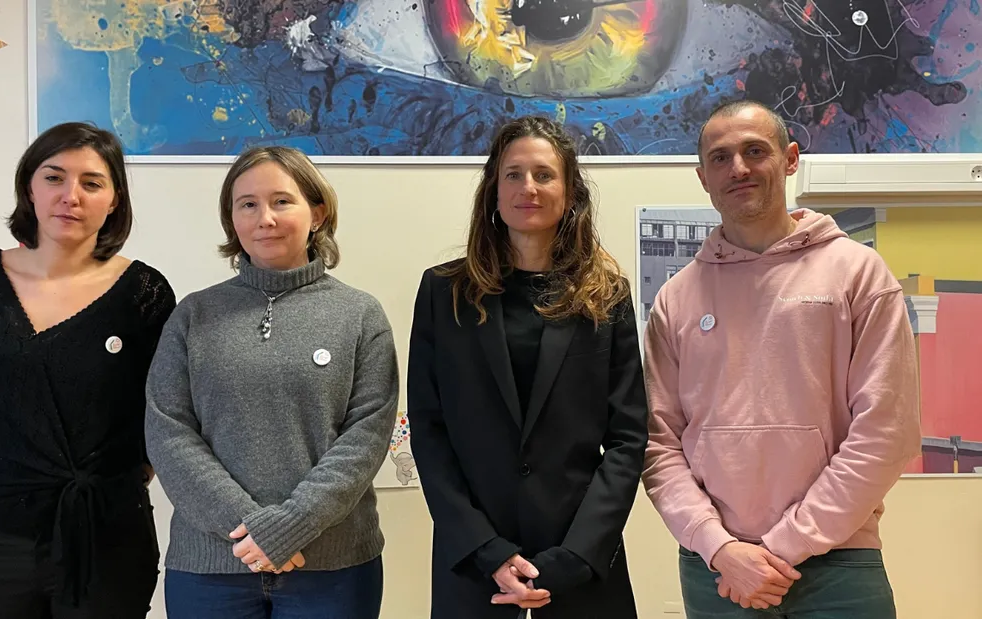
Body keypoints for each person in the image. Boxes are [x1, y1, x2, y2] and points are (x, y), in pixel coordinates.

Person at [641, 100, 921, 619]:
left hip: (839, 563)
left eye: (755, 151)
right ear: (702, 177)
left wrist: (780, 548)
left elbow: (887, 430)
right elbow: (658, 443)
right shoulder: (676, 299)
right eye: (720, 158)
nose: (739, 169)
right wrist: (720, 548)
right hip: (717, 568)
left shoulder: (858, 274)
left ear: (790, 159)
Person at [0, 121, 176, 618]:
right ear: (29, 187)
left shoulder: (145, 293)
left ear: (114, 200)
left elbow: (165, 413)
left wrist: (112, 486)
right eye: (54, 177)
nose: (71, 196)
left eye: (92, 183)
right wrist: (10, 483)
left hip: (108, 536)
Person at [407, 115, 649, 619]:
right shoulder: (442, 292)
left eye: (544, 174)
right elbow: (429, 432)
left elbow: (628, 438)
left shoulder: (607, 297)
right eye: (513, 174)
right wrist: (484, 547)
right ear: (493, 190)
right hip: (475, 563)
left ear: (570, 191)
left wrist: (576, 555)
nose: (528, 188)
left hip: (580, 562)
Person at [145, 145, 399, 619]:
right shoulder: (193, 316)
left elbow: (366, 437)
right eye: (248, 204)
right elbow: (168, 431)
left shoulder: (360, 315)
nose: (265, 218)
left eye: (282, 201)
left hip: (333, 570)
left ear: (317, 212)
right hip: (210, 570)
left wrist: (292, 525)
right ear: (232, 220)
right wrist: (249, 528)